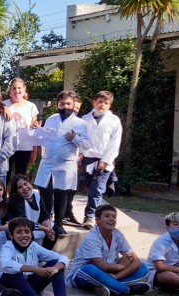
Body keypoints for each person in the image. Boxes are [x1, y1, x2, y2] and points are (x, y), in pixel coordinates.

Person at [0, 218, 78, 296]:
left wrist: (55, 268)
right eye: (18, 232)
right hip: (8, 287)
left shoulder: (34, 246)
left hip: (27, 287)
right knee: (15, 272)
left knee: (56, 263)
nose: (24, 235)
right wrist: (35, 269)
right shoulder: (7, 247)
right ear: (11, 236)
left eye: (27, 231)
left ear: (32, 234)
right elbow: (5, 264)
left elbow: (62, 258)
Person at [34, 90, 90, 238]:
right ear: (57, 104)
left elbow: (87, 146)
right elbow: (44, 136)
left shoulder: (80, 123)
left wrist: (74, 138)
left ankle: (58, 223)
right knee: (45, 191)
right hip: (47, 162)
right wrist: (37, 129)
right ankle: (45, 221)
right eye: (61, 103)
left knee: (61, 193)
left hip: (65, 165)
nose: (64, 106)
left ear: (73, 105)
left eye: (68, 104)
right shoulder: (52, 119)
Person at [66, 204, 151, 296]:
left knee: (143, 268)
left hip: (112, 274)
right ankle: (127, 290)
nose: (111, 219)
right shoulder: (91, 238)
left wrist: (116, 276)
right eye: (107, 216)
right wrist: (122, 265)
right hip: (84, 276)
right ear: (97, 220)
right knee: (89, 269)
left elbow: (136, 262)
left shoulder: (117, 234)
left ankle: (106, 285)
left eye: (114, 217)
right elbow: (104, 267)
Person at [80, 91, 122, 229]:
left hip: (104, 160)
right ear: (93, 102)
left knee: (97, 188)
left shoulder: (114, 120)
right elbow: (81, 138)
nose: (102, 105)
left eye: (106, 102)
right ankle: (94, 213)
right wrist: (80, 153)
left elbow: (115, 142)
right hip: (88, 158)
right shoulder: (85, 119)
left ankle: (91, 216)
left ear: (110, 105)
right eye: (99, 101)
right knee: (89, 186)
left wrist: (106, 160)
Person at [3, 78, 39, 178]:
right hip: (7, 147)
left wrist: (34, 151)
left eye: (19, 88)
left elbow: (34, 131)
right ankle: (5, 194)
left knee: (20, 177)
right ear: (10, 90)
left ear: (24, 89)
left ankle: (17, 194)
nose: (17, 91)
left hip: (25, 148)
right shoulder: (4, 104)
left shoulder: (31, 106)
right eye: (14, 88)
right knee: (5, 176)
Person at [7, 174, 56, 247]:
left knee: (55, 231)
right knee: (27, 235)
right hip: (20, 228)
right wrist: (44, 229)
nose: (24, 187)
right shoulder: (16, 200)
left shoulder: (36, 195)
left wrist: (48, 230)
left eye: (25, 184)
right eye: (19, 187)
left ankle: (43, 255)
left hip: (33, 226)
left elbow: (44, 215)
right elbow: (22, 221)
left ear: (29, 183)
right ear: (16, 192)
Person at [63, 96, 84, 226]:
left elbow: (85, 142)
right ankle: (62, 214)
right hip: (58, 162)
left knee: (71, 190)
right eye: (73, 107)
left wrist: (81, 153)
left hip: (73, 161)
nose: (75, 110)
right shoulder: (57, 121)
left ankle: (67, 214)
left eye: (77, 108)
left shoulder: (79, 123)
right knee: (60, 191)